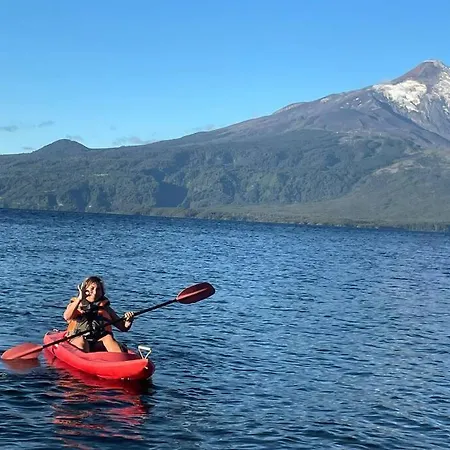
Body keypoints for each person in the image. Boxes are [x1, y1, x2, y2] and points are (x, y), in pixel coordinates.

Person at [63, 276, 135, 353]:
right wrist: (80, 298)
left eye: (98, 289)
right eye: (92, 288)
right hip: (77, 338)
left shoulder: (106, 308)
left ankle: (120, 357)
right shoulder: (76, 305)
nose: (95, 292)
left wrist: (128, 321)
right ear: (85, 290)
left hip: (97, 340)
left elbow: (123, 327)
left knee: (108, 338)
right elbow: (67, 316)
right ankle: (85, 358)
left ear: (102, 292)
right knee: (82, 341)